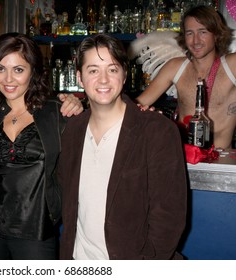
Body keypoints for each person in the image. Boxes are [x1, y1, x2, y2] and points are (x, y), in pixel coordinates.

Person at [58, 34, 187, 260]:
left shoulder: (156, 130)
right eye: (93, 70)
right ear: (79, 77)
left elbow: (169, 216)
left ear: (124, 74)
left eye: (112, 69)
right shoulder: (72, 131)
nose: (104, 79)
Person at [0, 33, 83, 260]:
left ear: (33, 71)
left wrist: (78, 101)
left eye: (18, 69)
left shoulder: (58, 113)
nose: (8, 79)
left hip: (35, 231)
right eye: (1, 69)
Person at [136, 5, 236, 149]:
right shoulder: (176, 67)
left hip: (220, 161)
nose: (196, 40)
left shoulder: (231, 66)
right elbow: (138, 104)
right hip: (181, 159)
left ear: (216, 34)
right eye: (190, 33)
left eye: (202, 32)